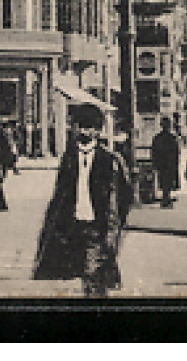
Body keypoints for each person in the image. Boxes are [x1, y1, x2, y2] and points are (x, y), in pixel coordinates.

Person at [33, 102, 133, 296]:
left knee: (93, 274)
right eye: (81, 126)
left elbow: (124, 196)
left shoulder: (109, 159)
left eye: (91, 128)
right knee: (82, 275)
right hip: (72, 226)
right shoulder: (69, 158)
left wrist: (114, 226)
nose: (85, 132)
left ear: (98, 131)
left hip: (98, 227)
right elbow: (60, 193)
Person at [150, 117, 181, 208]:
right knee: (168, 182)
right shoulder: (172, 138)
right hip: (169, 164)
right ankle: (166, 199)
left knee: (164, 182)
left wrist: (155, 162)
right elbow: (176, 152)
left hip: (162, 164)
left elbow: (154, 151)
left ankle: (165, 198)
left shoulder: (158, 138)